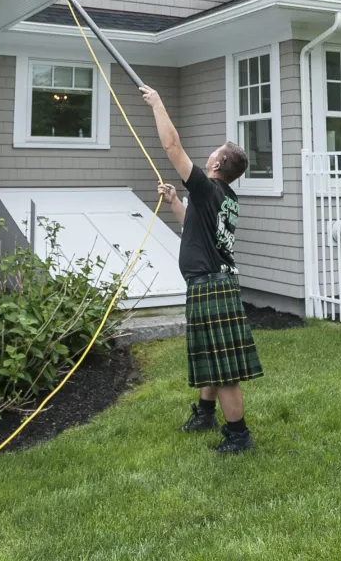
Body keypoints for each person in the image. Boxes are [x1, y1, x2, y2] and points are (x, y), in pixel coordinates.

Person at [139, 85, 261, 455]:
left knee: (224, 369)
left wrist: (159, 103)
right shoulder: (225, 198)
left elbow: (172, 147)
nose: (209, 154)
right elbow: (197, 228)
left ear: (217, 165)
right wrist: (177, 202)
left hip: (211, 287)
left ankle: (239, 436)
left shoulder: (209, 189)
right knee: (212, 356)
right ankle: (207, 414)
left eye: (214, 153)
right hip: (216, 283)